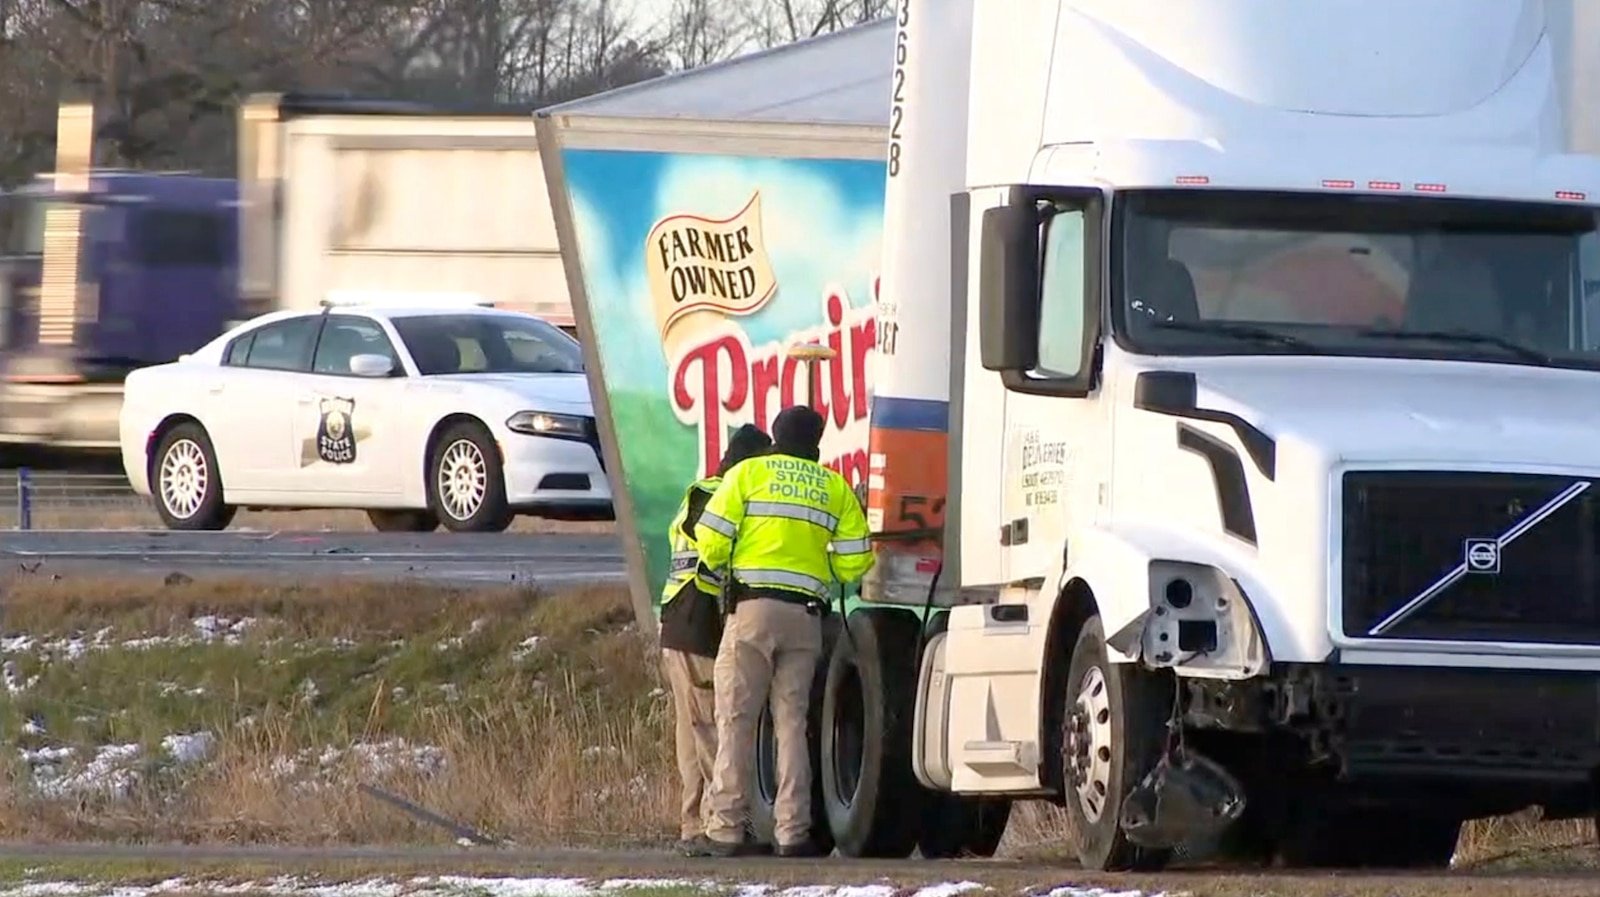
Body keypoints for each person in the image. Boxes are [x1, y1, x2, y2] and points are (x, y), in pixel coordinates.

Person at [691, 405, 875, 858]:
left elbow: (710, 538)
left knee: (736, 719)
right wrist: (823, 572)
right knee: (792, 724)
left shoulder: (748, 474)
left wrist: (727, 567)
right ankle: (793, 832)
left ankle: (725, 829)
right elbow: (856, 560)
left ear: (775, 435)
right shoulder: (834, 486)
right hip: (805, 617)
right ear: (817, 441)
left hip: (752, 611)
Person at [659, 423, 772, 856]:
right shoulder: (726, 496)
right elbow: (720, 562)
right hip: (700, 626)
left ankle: (693, 823)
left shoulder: (701, 491)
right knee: (711, 726)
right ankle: (721, 825)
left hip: (679, 624)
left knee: (691, 731)